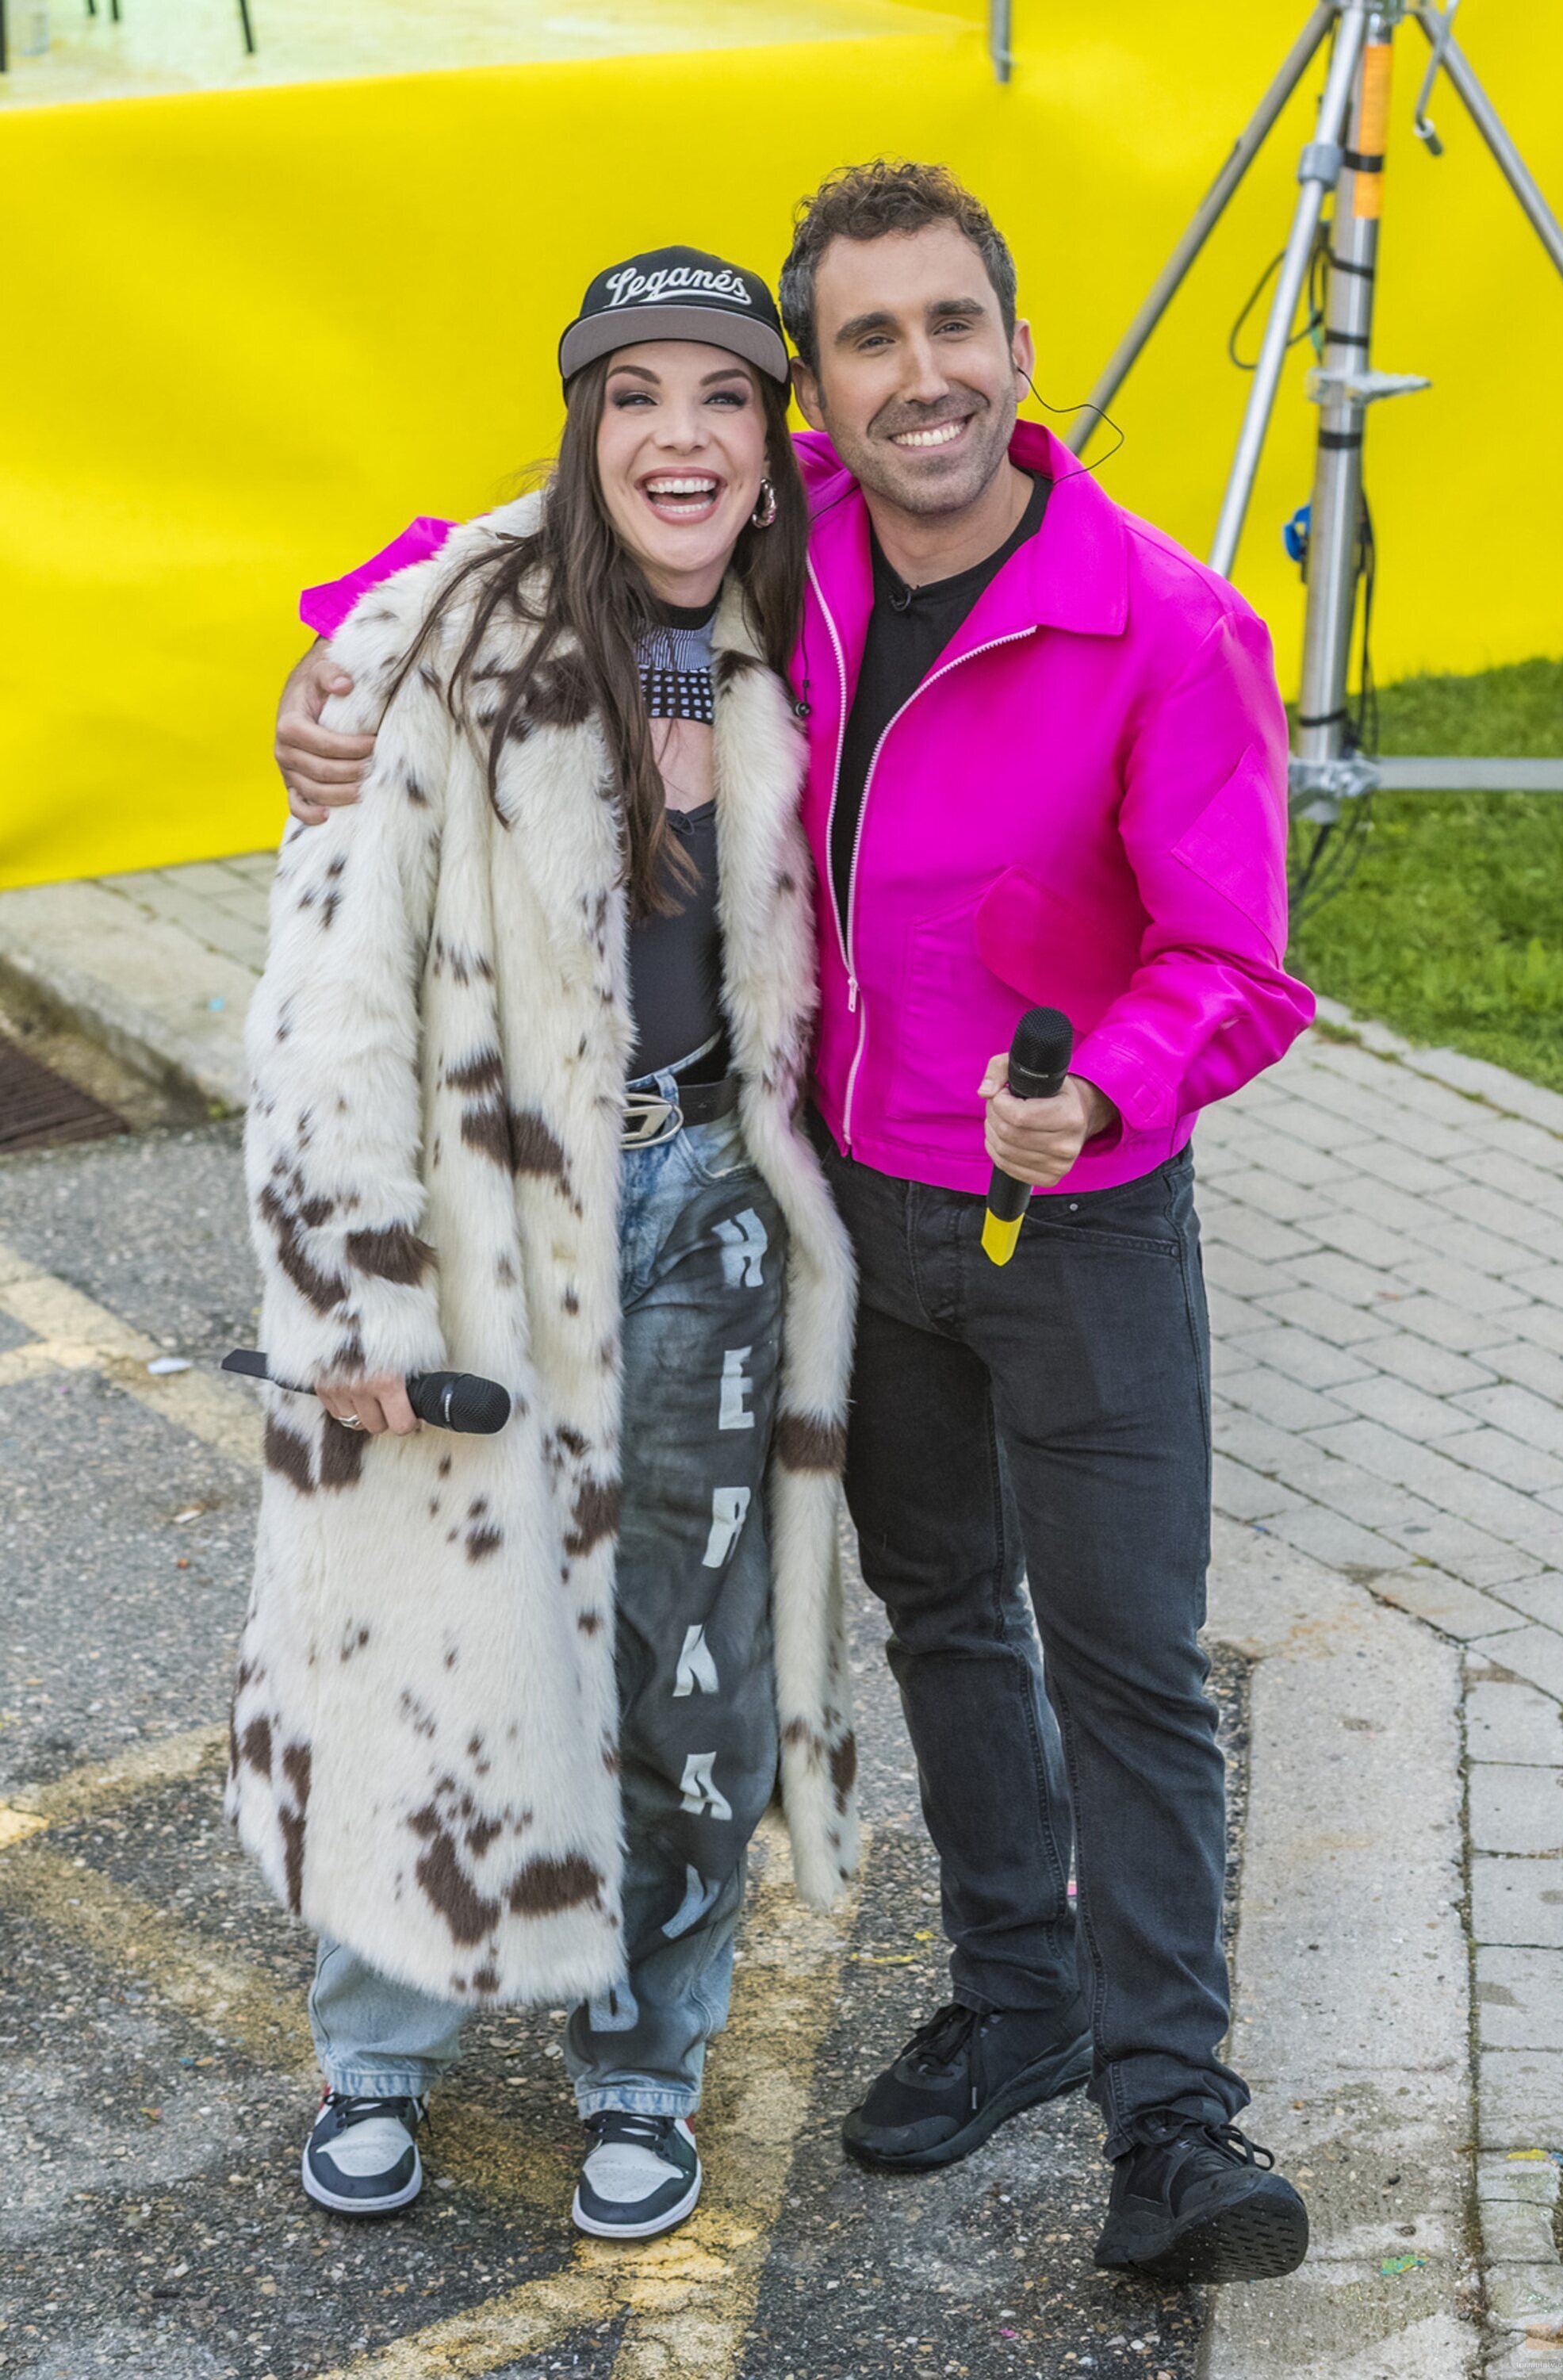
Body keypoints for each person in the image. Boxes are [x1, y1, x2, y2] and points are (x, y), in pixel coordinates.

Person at [273, 162, 1317, 2286]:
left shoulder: (1169, 622)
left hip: (1075, 1223)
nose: (918, 376)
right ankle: (1015, 2002)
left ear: (1021, 353)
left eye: (954, 327)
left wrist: (1105, 1087)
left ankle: (1179, 2123)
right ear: (821, 403)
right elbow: (472, 544)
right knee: (934, 1616)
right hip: (837, 1206)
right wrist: (331, 672)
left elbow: (1245, 960)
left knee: (1120, 1662)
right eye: (868, 341)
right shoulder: (794, 559)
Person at [231, 247, 858, 2247]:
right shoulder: (445, 634)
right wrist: (353, 1289)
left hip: (714, 1212)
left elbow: (1022, 490)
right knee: (428, 1628)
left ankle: (642, 2069)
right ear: (581, 429)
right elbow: (330, 999)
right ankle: (378, 2054)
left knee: (685, 1658)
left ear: (777, 444)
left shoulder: (816, 609)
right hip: (491, 1210)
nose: (679, 434)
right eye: (634, 395)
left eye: (724, 397)